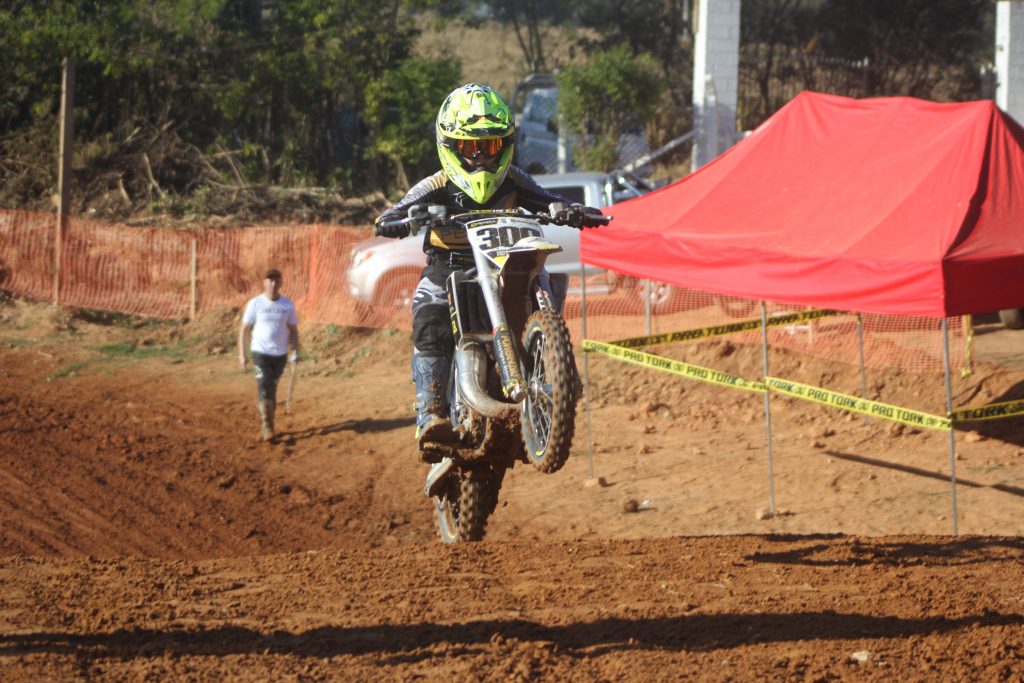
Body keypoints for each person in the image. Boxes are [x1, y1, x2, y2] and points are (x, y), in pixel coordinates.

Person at [374, 82, 601, 459]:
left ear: (506, 144)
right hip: (449, 269)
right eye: (469, 147)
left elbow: (550, 199)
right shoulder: (437, 183)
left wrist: (572, 210)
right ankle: (430, 414)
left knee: (542, 284)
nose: (480, 157)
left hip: (504, 265)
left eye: (490, 146)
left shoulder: (514, 178)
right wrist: (396, 219)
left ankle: (556, 376)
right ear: (449, 145)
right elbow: (398, 209)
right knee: (428, 315)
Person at [238, 268, 301, 442]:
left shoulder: (287, 305)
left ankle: (269, 426)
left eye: (276, 280)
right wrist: (242, 354)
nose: (273, 283)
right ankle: (266, 426)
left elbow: (293, 330)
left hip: (279, 355)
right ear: (264, 282)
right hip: (260, 353)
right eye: (269, 280)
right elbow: (244, 329)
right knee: (264, 384)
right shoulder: (255, 304)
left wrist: (295, 350)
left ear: (280, 283)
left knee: (271, 389)